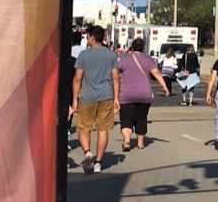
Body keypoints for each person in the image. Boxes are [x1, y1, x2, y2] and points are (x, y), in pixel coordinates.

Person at [70, 24, 120, 173]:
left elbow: (78, 78)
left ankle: (87, 152)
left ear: (92, 38)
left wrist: (74, 99)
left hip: (87, 96)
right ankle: (98, 162)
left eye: (88, 36)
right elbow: (116, 77)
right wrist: (116, 98)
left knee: (83, 128)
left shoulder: (84, 55)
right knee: (103, 129)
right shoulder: (111, 55)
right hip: (106, 95)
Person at [115, 38, 168, 151]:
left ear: (132, 47)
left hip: (127, 94)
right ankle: (140, 143)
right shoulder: (148, 59)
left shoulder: (124, 59)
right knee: (141, 118)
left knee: (126, 118)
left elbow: (115, 73)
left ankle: (127, 140)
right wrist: (164, 87)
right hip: (144, 94)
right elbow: (156, 73)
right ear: (143, 48)